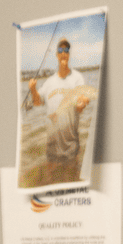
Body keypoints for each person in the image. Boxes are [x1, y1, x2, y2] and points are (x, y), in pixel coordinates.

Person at [26, 38, 93, 183]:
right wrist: (33, 90)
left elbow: (80, 106)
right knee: (51, 180)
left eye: (66, 50)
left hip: (71, 145)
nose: (63, 53)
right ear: (57, 54)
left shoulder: (77, 78)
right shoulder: (49, 81)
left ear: (69, 54)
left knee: (72, 180)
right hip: (51, 144)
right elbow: (37, 102)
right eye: (60, 50)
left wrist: (83, 103)